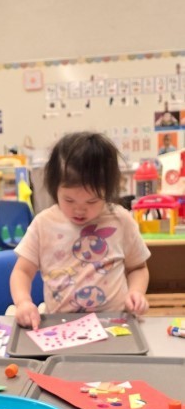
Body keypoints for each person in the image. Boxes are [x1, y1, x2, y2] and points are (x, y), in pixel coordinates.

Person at [10, 132, 151, 330]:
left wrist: (136, 292)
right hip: (60, 328)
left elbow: (138, 268)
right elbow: (22, 271)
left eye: (92, 201)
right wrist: (23, 302)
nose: (79, 209)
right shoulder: (44, 224)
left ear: (107, 191)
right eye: (69, 200)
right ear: (54, 188)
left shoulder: (120, 220)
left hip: (113, 325)